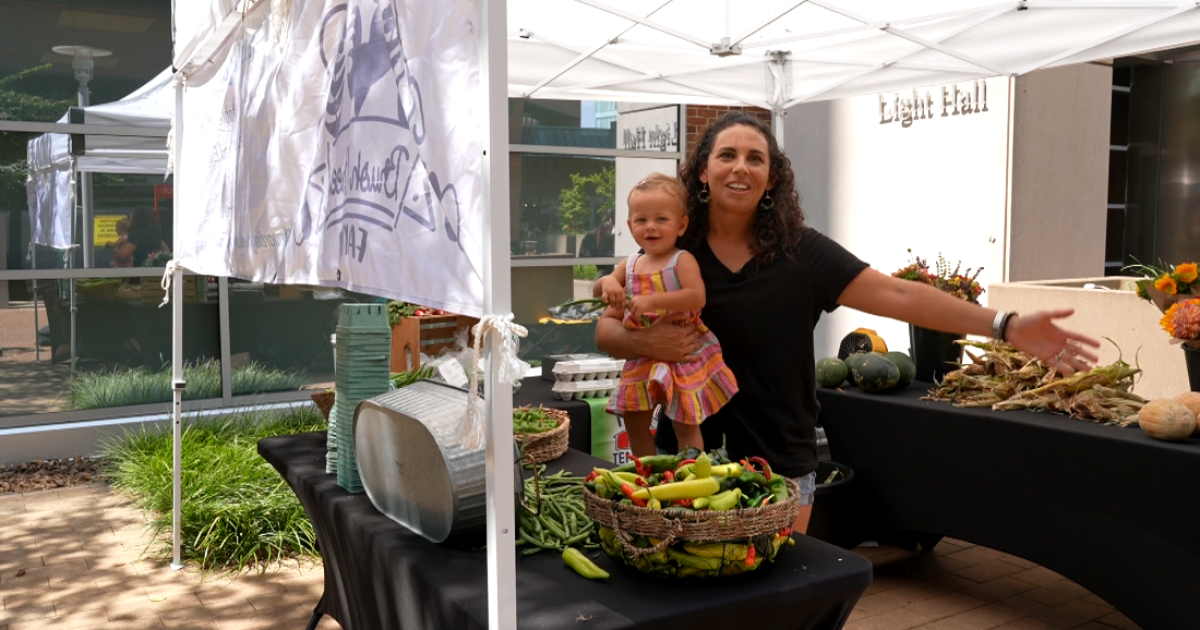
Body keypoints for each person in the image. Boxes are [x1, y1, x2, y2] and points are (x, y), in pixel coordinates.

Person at [594, 111, 1100, 533]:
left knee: (779, 601)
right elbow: (606, 331)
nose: (740, 168)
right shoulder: (669, 249)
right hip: (685, 461)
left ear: (772, 178)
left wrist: (1003, 324)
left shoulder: (801, 251)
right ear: (701, 171)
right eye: (726, 155)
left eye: (756, 158)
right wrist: (654, 343)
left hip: (780, 463)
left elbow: (899, 294)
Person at [596, 173, 738, 456]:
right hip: (643, 357)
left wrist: (651, 302)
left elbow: (697, 296)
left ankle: (690, 474)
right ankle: (647, 472)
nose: (651, 227)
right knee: (635, 420)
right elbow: (602, 284)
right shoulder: (632, 263)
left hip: (680, 356)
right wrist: (609, 282)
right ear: (630, 226)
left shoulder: (680, 260)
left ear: (681, 225)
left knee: (685, 422)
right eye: (641, 220)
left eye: (661, 219)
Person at [578, 210, 616, 276]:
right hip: (596, 267)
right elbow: (583, 254)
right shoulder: (591, 236)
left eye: (610, 228)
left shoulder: (612, 238)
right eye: (608, 228)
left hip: (608, 269)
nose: (610, 231)